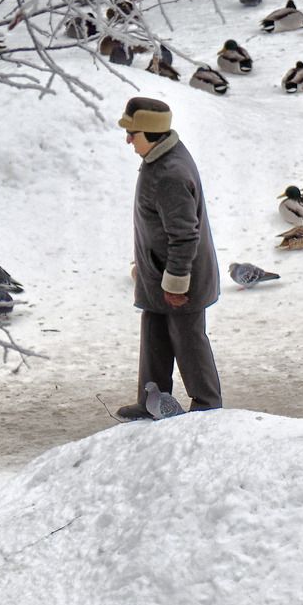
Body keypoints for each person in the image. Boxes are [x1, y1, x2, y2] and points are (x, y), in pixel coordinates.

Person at [116, 96, 222, 419]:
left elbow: (184, 235)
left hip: (180, 278)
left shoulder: (170, 174)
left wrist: (175, 284)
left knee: (187, 339)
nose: (128, 140)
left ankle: (207, 406)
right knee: (155, 333)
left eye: (132, 133)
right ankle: (151, 400)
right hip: (157, 273)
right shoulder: (158, 158)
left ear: (150, 133)